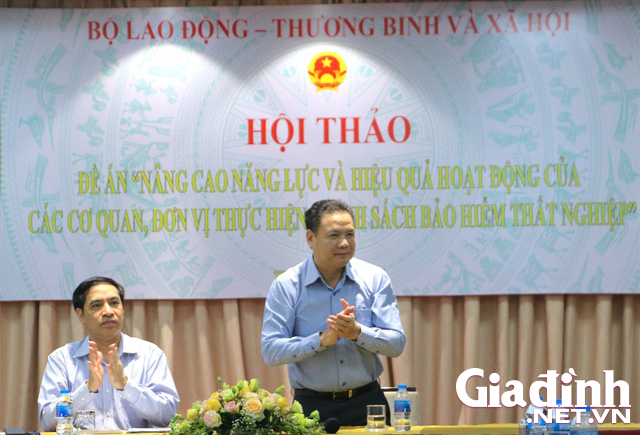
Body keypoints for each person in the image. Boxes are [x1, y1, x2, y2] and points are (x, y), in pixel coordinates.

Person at [261, 199, 406, 426]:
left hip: (367, 402)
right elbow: (271, 351)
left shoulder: (375, 278)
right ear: (311, 238)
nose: (344, 243)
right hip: (311, 407)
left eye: (350, 234)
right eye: (334, 235)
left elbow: (396, 344)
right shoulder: (287, 285)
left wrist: (357, 333)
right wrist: (320, 341)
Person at [38, 276, 179, 431]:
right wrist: (87, 390)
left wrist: (125, 385)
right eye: (97, 305)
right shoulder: (62, 359)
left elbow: (167, 415)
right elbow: (48, 421)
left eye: (114, 303)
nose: (108, 311)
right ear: (81, 315)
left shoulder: (150, 355)